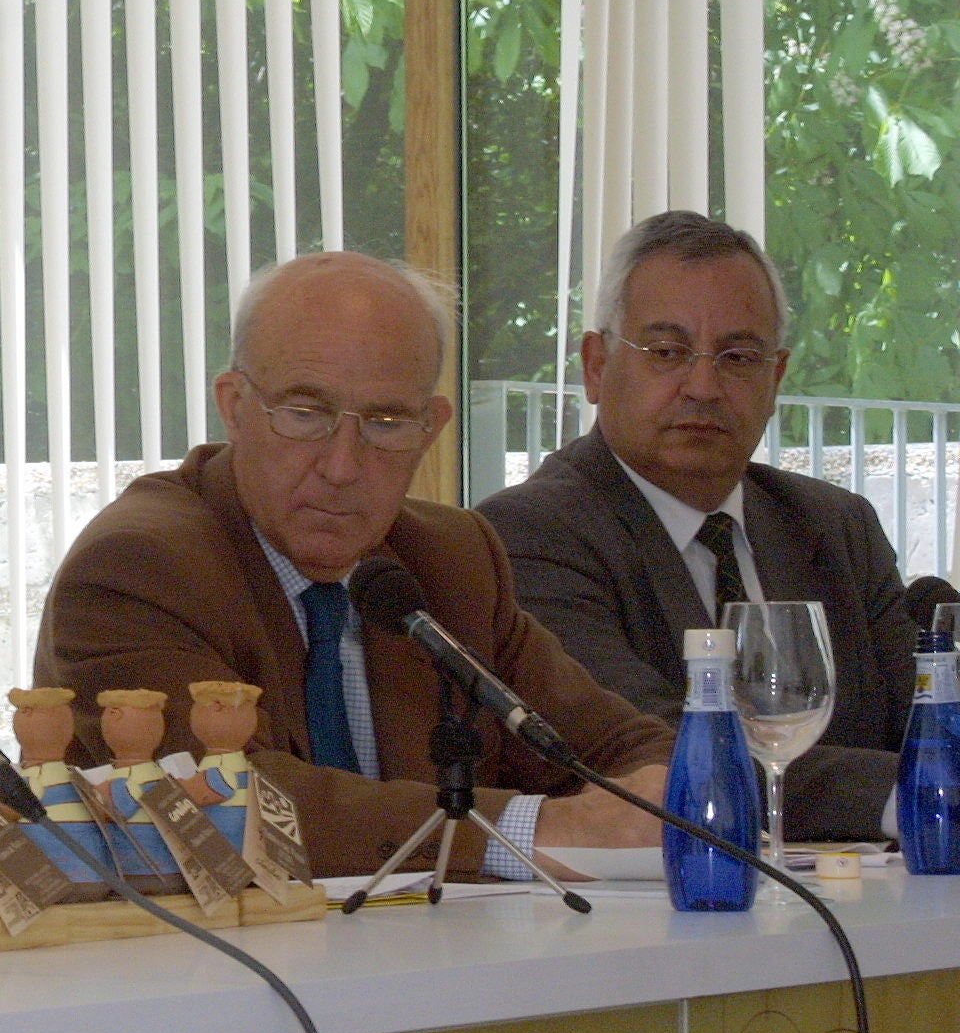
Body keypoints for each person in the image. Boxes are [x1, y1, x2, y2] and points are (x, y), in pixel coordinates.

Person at [34, 251, 676, 881]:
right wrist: (534, 831)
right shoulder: (137, 567)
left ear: (431, 429)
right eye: (305, 414)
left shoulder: (452, 560)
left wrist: (673, 786)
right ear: (234, 407)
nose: (342, 467)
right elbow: (220, 805)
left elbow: (609, 749)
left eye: (387, 422)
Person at [478, 212, 910, 840]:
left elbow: (926, 724)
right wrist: (915, 793)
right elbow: (663, 753)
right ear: (596, 367)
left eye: (737, 356)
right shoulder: (528, 534)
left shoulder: (835, 525)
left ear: (776, 377)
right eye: (667, 352)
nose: (703, 386)